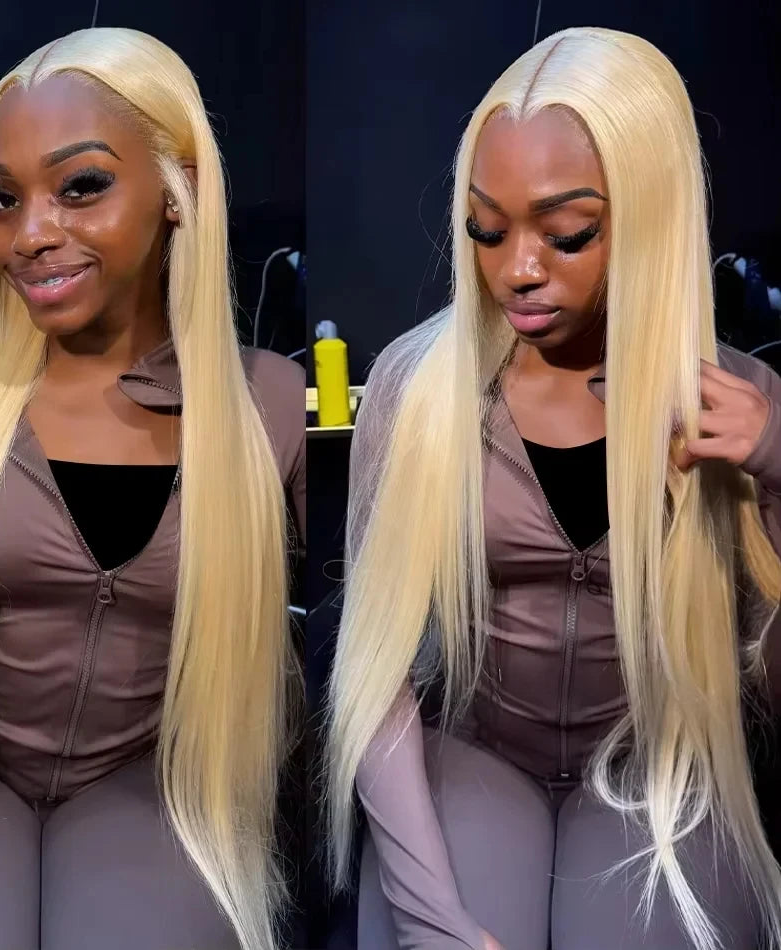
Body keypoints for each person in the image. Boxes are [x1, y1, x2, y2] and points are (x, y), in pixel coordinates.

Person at [0, 27, 305, 950]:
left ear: (178, 190)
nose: (30, 234)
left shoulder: (267, 406)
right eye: (1, 200)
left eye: (81, 185)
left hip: (157, 795)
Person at [325, 27, 781, 950]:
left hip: (658, 775)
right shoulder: (416, 391)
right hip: (472, 763)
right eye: (486, 230)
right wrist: (429, 914)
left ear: (650, 214)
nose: (518, 271)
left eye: (566, 234)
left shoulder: (741, 402)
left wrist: (774, 479)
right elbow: (373, 677)